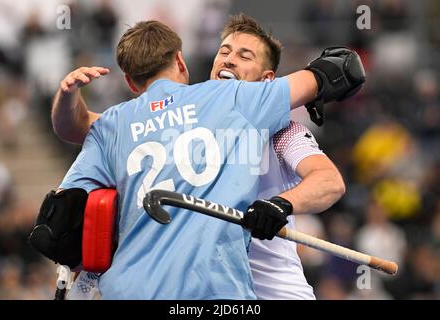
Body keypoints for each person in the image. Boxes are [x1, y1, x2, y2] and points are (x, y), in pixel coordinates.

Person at [31, 18, 363, 299]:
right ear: (183, 63)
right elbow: (90, 125)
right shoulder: (206, 107)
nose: (229, 60)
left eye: (244, 55)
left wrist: (281, 204)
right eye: (224, 52)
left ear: (267, 82)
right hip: (216, 287)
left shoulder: (279, 127)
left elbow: (329, 181)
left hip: (274, 291)